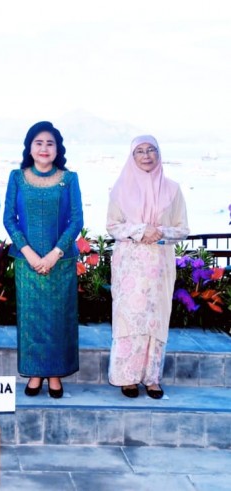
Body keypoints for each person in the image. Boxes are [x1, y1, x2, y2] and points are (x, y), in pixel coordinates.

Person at [3, 121, 83, 398]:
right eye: (38, 143)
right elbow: (9, 220)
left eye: (50, 143)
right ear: (30, 147)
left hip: (60, 264)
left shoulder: (68, 179)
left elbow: (76, 221)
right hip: (27, 264)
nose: (44, 148)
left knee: (58, 319)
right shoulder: (17, 177)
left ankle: (56, 374)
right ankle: (35, 373)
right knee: (32, 320)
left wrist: (53, 254)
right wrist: (28, 252)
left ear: (58, 148)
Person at [107, 135, 189, 399]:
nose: (146, 155)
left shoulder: (173, 190)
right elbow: (112, 226)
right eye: (139, 151)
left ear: (159, 153)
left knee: (155, 319)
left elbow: (184, 229)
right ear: (132, 157)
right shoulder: (120, 189)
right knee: (128, 318)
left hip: (160, 265)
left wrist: (159, 232)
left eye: (151, 150)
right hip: (129, 265)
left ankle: (152, 378)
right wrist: (141, 230)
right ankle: (126, 377)